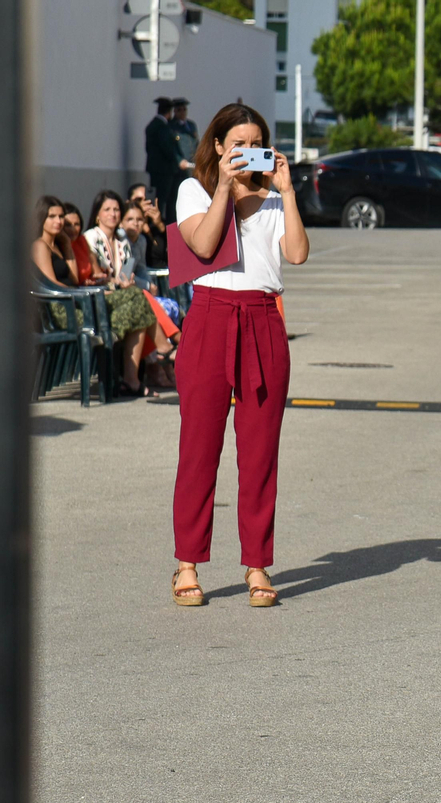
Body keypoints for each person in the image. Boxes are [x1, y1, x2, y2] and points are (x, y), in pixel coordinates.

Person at [170, 102, 309, 608]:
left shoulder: (274, 200)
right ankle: (187, 563)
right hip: (209, 317)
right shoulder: (194, 190)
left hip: (263, 319)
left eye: (257, 143)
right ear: (217, 147)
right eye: (238, 144)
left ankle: (257, 565)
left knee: (259, 454)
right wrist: (227, 188)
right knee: (199, 448)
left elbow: (296, 255)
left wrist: (287, 192)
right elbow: (204, 246)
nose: (248, 152)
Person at [83, 190, 165, 397]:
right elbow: (95, 277)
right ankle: (165, 348)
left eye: (116, 209)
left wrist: (129, 282)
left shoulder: (122, 240)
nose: (113, 214)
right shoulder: (90, 239)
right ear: (97, 215)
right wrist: (118, 282)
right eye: (107, 210)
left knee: (140, 303)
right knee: (141, 298)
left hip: (123, 296)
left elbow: (128, 273)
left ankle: (132, 379)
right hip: (100, 299)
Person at [145, 97, 187, 223]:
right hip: (165, 172)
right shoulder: (162, 127)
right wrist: (179, 161)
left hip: (156, 170)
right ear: (169, 112)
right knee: (166, 202)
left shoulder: (152, 125)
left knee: (158, 201)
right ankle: (163, 228)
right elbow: (168, 149)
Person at [32, 196, 77, 288]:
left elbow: (75, 280)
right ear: (42, 218)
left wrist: (67, 245)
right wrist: (79, 294)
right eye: (52, 216)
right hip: (59, 299)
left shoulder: (59, 245)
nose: (58, 221)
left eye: (61, 216)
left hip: (71, 295)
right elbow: (51, 283)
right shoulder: (40, 246)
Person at [171, 97, 199, 164]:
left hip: (192, 162)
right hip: (180, 164)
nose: (182, 112)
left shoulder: (191, 125)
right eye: (179, 110)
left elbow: (196, 142)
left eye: (184, 109)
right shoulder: (171, 126)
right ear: (174, 111)